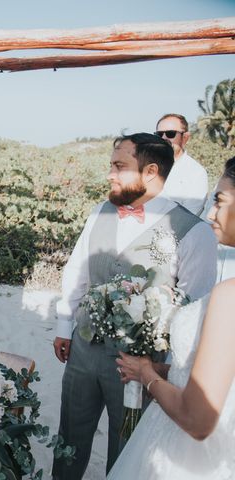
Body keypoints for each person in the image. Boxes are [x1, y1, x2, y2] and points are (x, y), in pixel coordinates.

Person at [51, 133, 217, 480]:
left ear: (150, 171)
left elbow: (193, 310)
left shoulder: (193, 232)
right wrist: (64, 328)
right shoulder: (101, 211)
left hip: (139, 367)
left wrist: (161, 368)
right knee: (70, 437)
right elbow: (77, 270)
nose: (110, 174)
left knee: (126, 449)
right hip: (82, 351)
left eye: (119, 166)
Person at [108, 156, 235, 480]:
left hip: (183, 460)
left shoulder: (229, 296)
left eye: (219, 200)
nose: (210, 213)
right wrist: (170, 371)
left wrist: (149, 375)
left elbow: (198, 419)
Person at [156, 113, 208, 215]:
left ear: (185, 138)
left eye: (171, 134)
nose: (164, 138)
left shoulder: (196, 173)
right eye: (159, 134)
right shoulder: (145, 166)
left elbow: (190, 215)